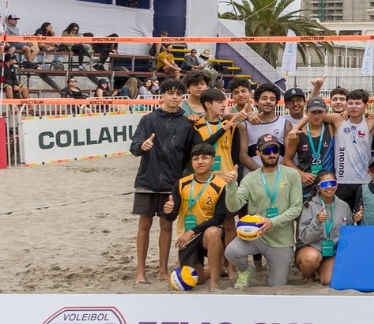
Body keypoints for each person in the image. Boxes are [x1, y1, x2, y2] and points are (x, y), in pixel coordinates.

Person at [128, 79, 196, 284]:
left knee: (166, 226)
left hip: (172, 183)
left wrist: (181, 179)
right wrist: (143, 147)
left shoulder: (186, 123)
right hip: (147, 180)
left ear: (183, 97)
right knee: (144, 224)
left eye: (178, 93)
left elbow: (190, 155)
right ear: (162, 95)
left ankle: (162, 270)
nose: (174, 97)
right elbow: (134, 147)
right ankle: (140, 272)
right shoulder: (148, 119)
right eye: (170, 93)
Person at [221, 135, 304, 289]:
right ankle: (246, 270)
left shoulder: (292, 174)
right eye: (267, 151)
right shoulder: (250, 178)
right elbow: (233, 207)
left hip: (281, 241)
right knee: (231, 252)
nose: (271, 154)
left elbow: (296, 208)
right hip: (256, 236)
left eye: (275, 150)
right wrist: (231, 185)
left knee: (277, 285)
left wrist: (272, 222)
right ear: (258, 154)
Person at [168, 142, 234, 291]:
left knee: (214, 232)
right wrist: (169, 211)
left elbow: (219, 218)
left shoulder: (221, 185)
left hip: (207, 234)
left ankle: (215, 283)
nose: (200, 162)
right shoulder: (181, 183)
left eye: (204, 158)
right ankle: (213, 270)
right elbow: (172, 217)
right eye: (196, 158)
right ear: (192, 162)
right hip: (187, 238)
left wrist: (192, 231)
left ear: (213, 161)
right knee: (194, 279)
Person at [295, 171, 352, 286]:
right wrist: (317, 222)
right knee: (311, 259)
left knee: (327, 280)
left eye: (332, 183)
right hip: (311, 248)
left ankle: (321, 268)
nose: (329, 187)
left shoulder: (344, 206)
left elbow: (349, 233)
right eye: (325, 184)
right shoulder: (308, 205)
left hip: (331, 252)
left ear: (336, 185)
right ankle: (309, 274)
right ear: (318, 187)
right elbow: (305, 239)